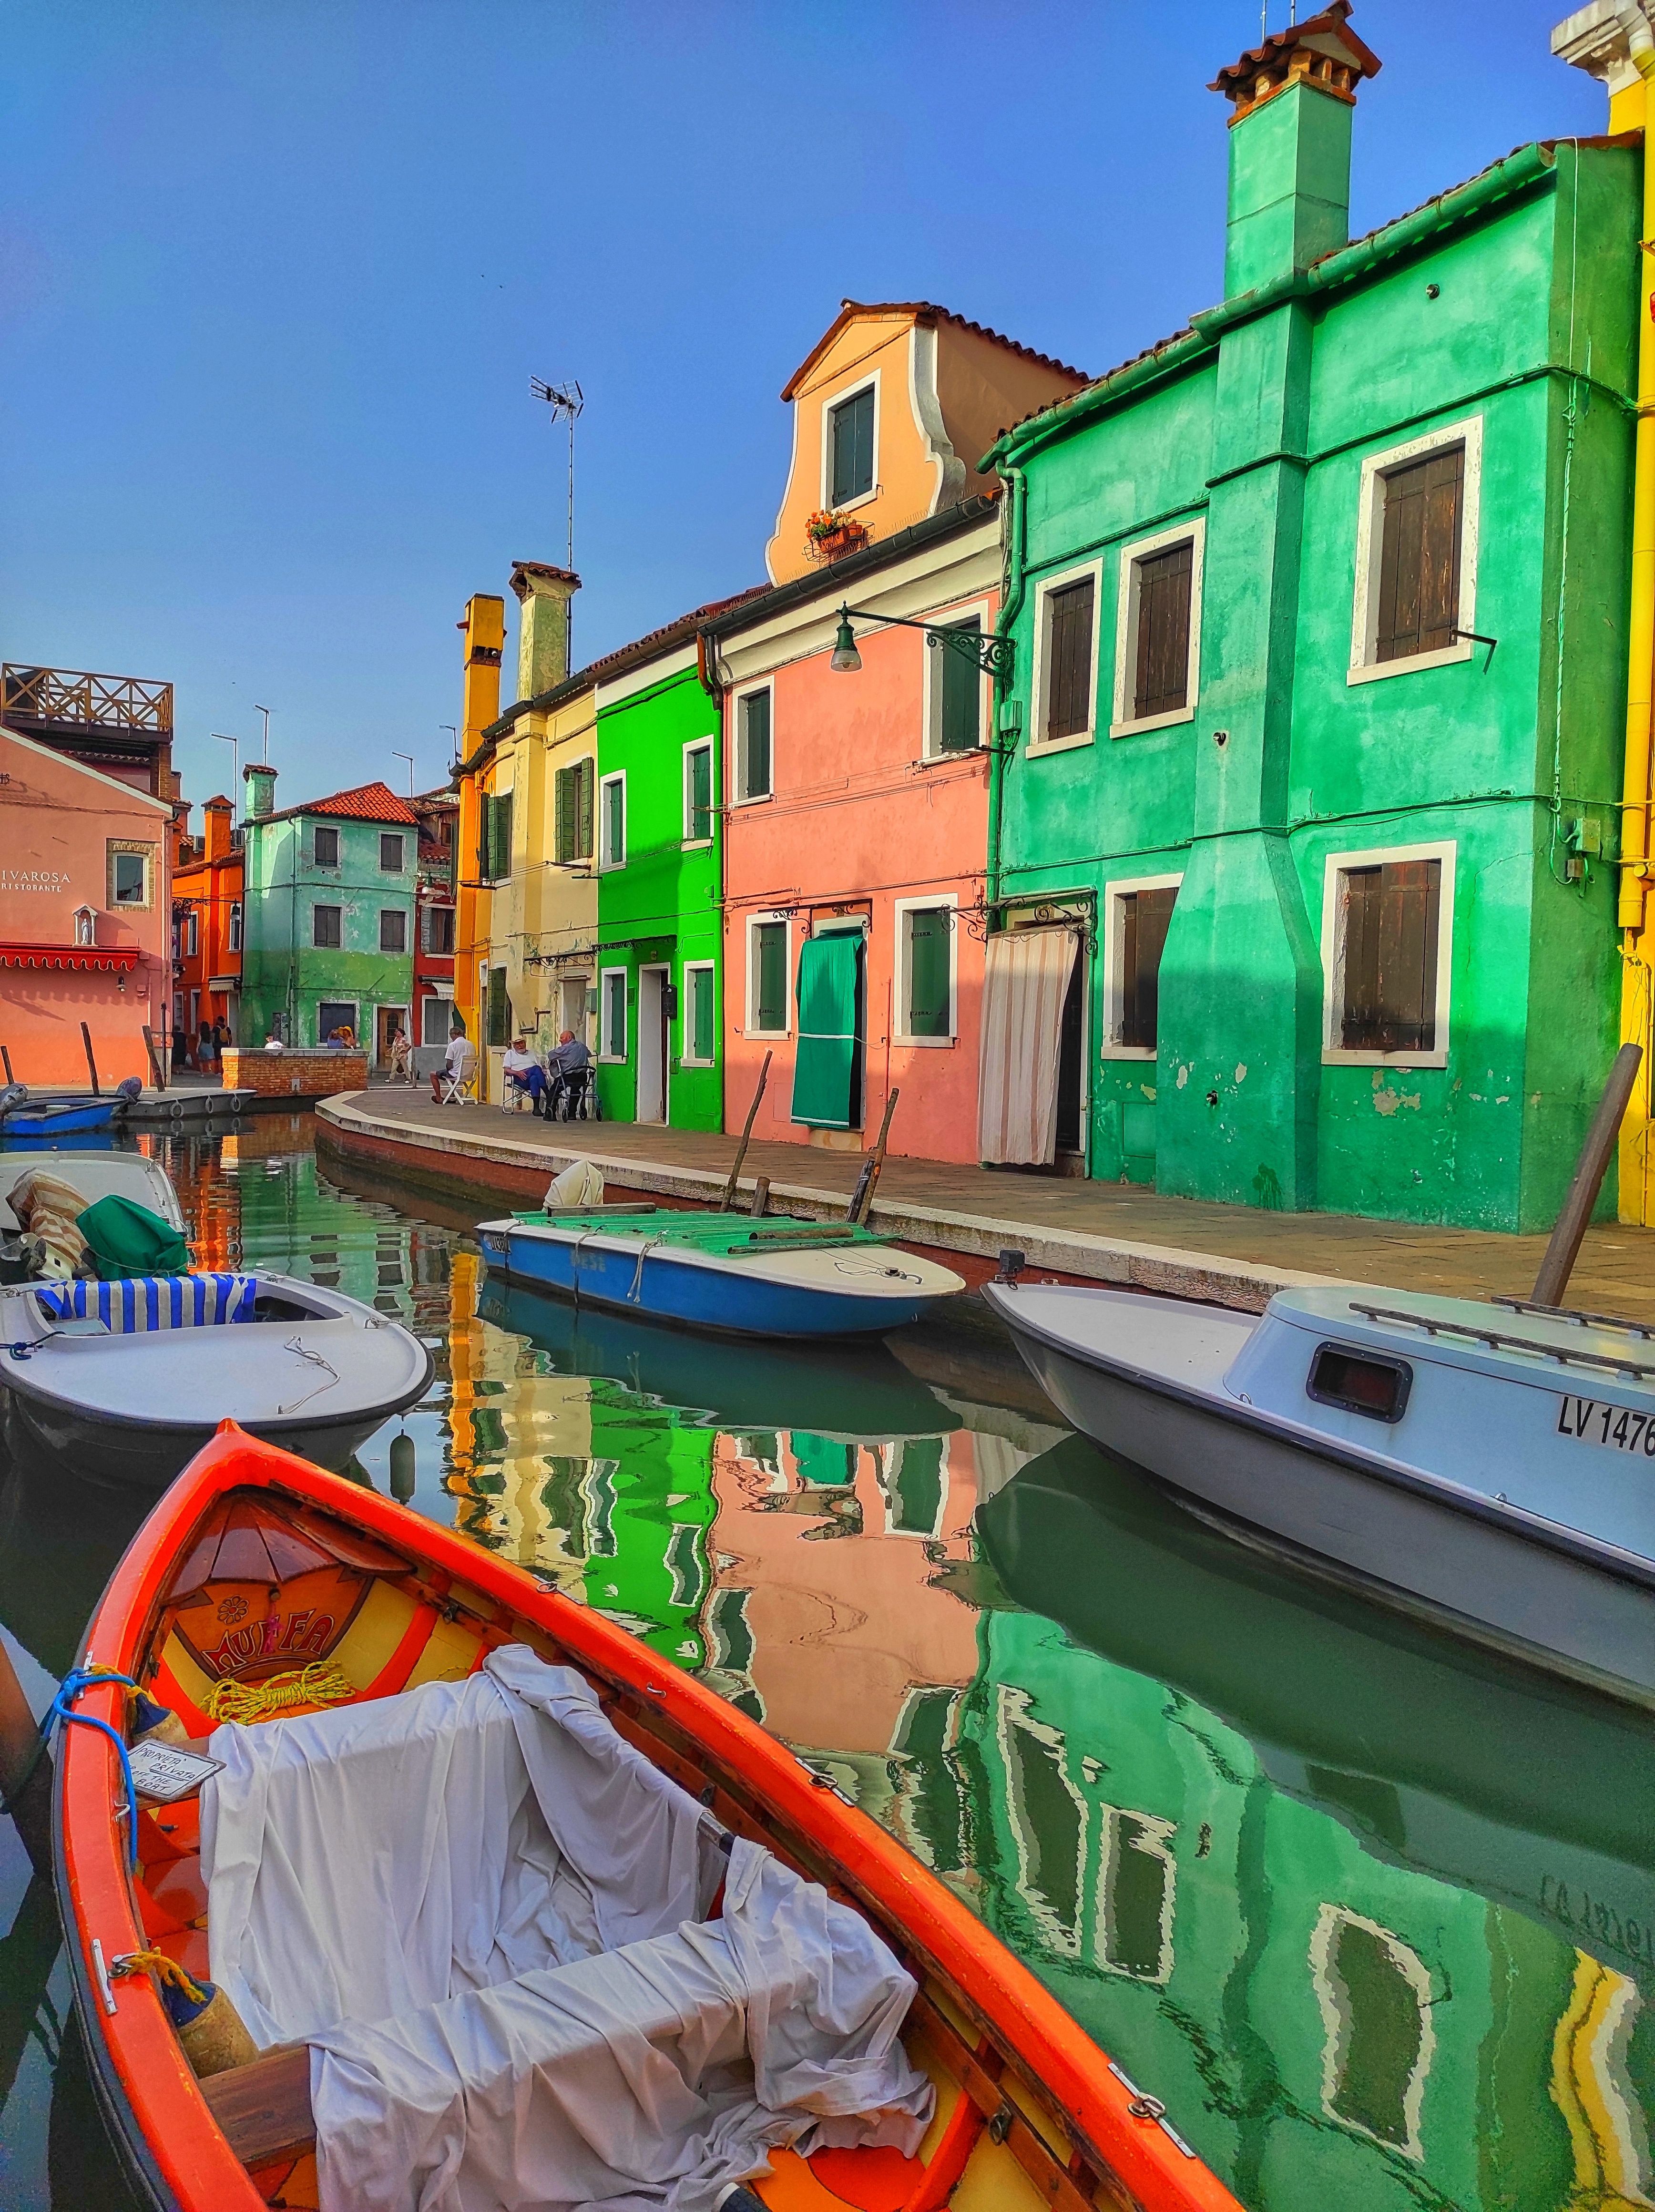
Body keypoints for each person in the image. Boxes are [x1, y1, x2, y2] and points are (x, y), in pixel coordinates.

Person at [544, 1029, 593, 1119]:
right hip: (582, 1077)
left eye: (562, 1038)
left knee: (554, 1090)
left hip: (569, 1076)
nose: (560, 1040)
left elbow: (551, 1055)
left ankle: (550, 1113)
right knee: (576, 1090)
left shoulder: (566, 1048)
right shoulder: (582, 1046)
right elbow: (589, 1054)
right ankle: (572, 1113)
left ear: (569, 1038)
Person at [501, 1036, 547, 1115]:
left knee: (534, 1078)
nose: (520, 1046)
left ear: (525, 1044)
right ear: (514, 1046)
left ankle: (536, 1109)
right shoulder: (510, 1053)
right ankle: (548, 1092)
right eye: (517, 1044)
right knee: (535, 1069)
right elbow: (506, 1070)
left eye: (522, 1043)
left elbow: (540, 1069)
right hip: (519, 1078)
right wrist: (517, 1073)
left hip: (531, 1077)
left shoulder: (532, 1053)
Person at [430, 1027, 471, 1102]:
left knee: (433, 1074)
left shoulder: (453, 1045)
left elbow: (449, 1065)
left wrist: (447, 1069)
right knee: (453, 1071)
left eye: (451, 1036)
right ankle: (452, 1095)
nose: (451, 1038)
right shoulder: (471, 1044)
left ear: (455, 1034)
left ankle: (439, 1098)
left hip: (457, 1074)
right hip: (469, 1074)